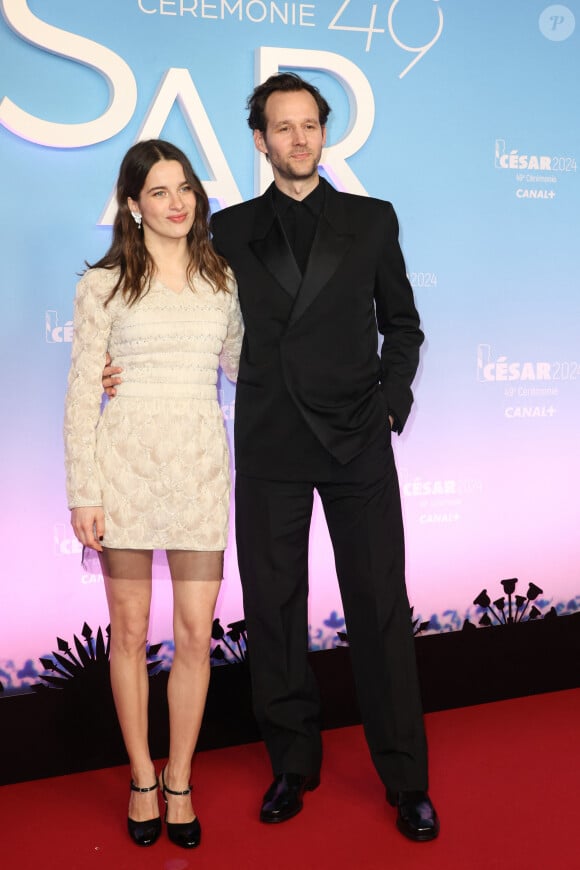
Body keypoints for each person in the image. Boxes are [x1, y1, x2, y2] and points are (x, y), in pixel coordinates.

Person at [105, 73, 439, 842]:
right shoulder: (227, 231)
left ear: (325, 134)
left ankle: (407, 779)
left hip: (357, 440)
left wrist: (391, 403)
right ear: (260, 141)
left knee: (381, 611)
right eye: (282, 128)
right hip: (270, 443)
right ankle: (292, 765)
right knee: (275, 614)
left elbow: (405, 325)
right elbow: (173, 307)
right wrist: (114, 365)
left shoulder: (372, 219)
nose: (297, 139)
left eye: (309, 126)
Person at [64, 139, 243, 849]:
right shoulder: (102, 284)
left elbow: (244, 364)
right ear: (133, 205)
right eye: (159, 192)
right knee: (131, 635)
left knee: (197, 634)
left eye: (185, 189)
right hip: (126, 468)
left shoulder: (223, 278)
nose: (176, 203)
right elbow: (83, 392)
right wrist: (84, 490)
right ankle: (141, 775)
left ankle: (180, 778)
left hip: (200, 467)